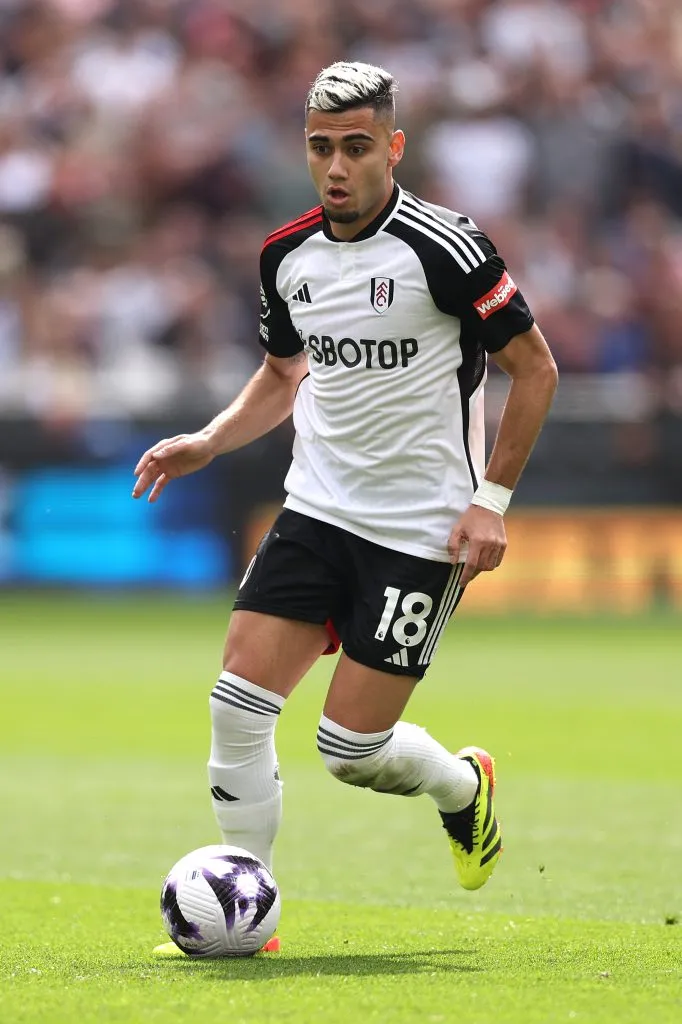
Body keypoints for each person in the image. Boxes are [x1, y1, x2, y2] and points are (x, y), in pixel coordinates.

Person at [133, 61, 558, 953]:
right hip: (317, 508)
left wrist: (491, 501)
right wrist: (209, 441)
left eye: (356, 148)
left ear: (392, 147)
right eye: (321, 147)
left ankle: (462, 788)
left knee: (350, 751)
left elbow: (536, 369)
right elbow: (283, 375)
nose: (336, 166)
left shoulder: (447, 248)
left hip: (421, 529)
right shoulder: (286, 255)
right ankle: (251, 908)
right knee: (236, 703)